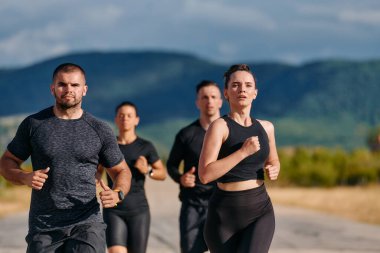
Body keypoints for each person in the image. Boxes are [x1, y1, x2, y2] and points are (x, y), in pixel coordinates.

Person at [0, 63, 132, 253]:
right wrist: (24, 177)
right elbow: (6, 162)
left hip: (87, 224)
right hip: (44, 226)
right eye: (62, 84)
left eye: (75, 85)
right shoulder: (34, 125)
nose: (68, 90)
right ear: (52, 88)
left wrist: (118, 192)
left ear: (84, 90)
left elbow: (121, 170)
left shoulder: (100, 129)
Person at [198, 64, 280, 253]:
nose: (242, 89)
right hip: (223, 215)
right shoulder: (219, 127)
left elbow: (273, 161)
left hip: (260, 210)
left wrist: (274, 168)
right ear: (226, 93)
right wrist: (242, 152)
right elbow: (205, 174)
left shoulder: (266, 128)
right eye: (235, 85)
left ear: (255, 93)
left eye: (248, 85)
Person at [96, 101, 167, 253]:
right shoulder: (109, 146)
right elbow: (97, 171)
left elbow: (162, 173)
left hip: (139, 210)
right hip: (113, 209)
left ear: (136, 120)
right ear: (116, 119)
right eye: (121, 115)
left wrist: (147, 169)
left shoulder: (146, 146)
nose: (125, 118)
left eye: (129, 115)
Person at [167, 80, 223, 253]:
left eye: (214, 97)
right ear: (197, 102)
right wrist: (181, 178)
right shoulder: (186, 134)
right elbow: (172, 165)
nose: (209, 101)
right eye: (204, 97)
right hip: (193, 203)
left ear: (221, 101)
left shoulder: (231, 131)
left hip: (223, 203)